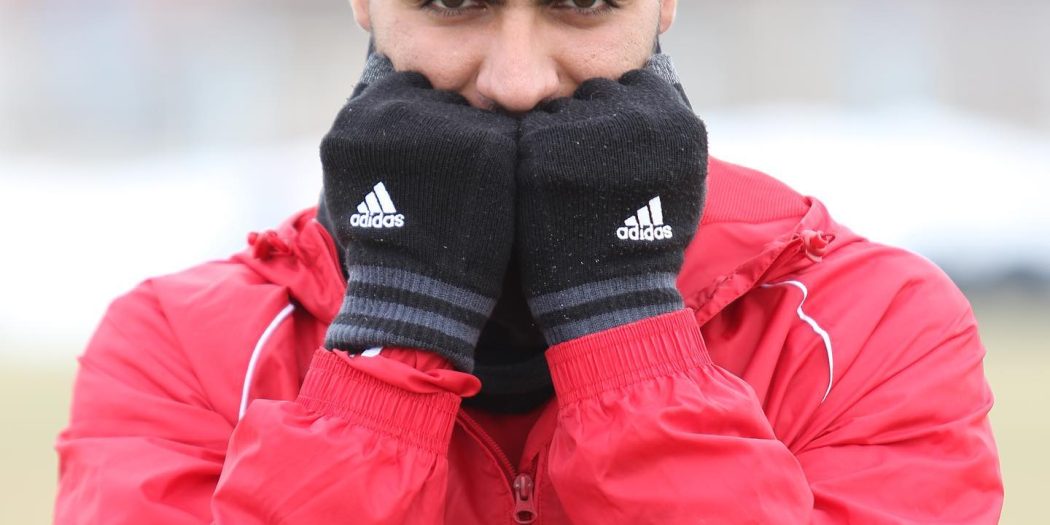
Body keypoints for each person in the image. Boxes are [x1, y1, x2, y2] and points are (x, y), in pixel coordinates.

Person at [53, 1, 1004, 523]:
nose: (517, 80)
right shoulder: (180, 350)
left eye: (582, 4)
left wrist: (626, 328)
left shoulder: (871, 327)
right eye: (452, 4)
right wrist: (390, 344)